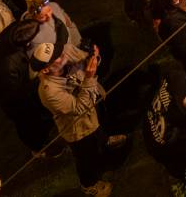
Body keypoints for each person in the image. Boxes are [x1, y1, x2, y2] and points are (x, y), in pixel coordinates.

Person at [34, 40, 125, 197]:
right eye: (56, 56)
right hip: (78, 130)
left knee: (99, 131)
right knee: (86, 158)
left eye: (58, 51)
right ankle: (89, 185)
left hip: (92, 113)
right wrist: (89, 77)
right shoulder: (49, 92)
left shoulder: (65, 59)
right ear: (47, 69)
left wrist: (94, 57)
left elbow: (87, 58)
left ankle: (104, 142)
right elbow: (79, 108)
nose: (62, 54)